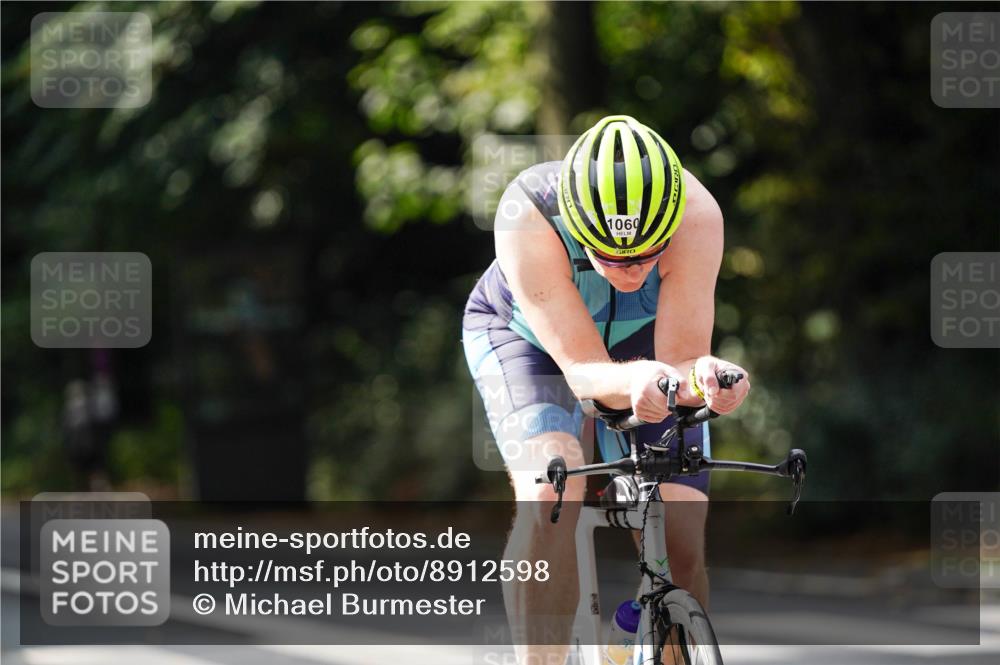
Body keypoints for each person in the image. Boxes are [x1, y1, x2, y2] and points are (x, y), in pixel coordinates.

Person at [462, 115, 751, 662]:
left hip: (643, 345)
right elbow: (583, 373)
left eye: (647, 254)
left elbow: (683, 360)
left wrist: (708, 380)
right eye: (609, 255)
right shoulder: (528, 214)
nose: (629, 269)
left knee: (682, 534)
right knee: (552, 489)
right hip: (531, 342)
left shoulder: (697, 213)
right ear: (575, 223)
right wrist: (645, 379)